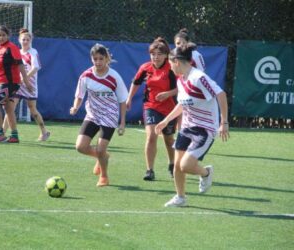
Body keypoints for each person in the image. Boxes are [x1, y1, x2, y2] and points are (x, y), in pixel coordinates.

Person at [155, 45, 229, 207]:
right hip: (187, 128)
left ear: (176, 61)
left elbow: (221, 94)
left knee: (186, 165)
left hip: (205, 129)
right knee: (177, 165)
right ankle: (180, 198)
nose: (169, 67)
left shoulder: (199, 77)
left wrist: (224, 122)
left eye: (169, 63)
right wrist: (166, 120)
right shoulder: (181, 80)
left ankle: (206, 173)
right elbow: (182, 104)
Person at [70, 43, 128, 187]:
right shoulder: (86, 76)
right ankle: (103, 156)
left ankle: (104, 176)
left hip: (109, 115)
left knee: (101, 148)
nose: (98, 62)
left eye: (101, 59)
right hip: (93, 115)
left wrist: (122, 122)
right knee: (80, 147)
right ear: (91, 59)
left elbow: (122, 100)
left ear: (106, 58)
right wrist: (75, 107)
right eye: (95, 59)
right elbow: (79, 95)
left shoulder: (114, 77)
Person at [126, 37, 177, 180]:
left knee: (168, 139)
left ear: (166, 55)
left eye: (159, 54)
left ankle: (172, 164)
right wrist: (129, 98)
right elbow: (135, 83)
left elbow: (180, 88)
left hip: (170, 109)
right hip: (151, 106)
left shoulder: (172, 68)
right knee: (151, 136)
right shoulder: (145, 68)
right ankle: (150, 170)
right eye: (153, 54)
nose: (156, 57)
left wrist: (168, 94)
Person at [3, 28, 50, 141]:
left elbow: (35, 67)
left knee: (32, 109)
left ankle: (44, 132)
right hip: (17, 86)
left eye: (27, 40)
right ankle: (2, 134)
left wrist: (24, 79)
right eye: (23, 39)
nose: (25, 41)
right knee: (10, 108)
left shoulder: (33, 52)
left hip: (30, 85)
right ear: (19, 40)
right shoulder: (17, 52)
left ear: (31, 40)